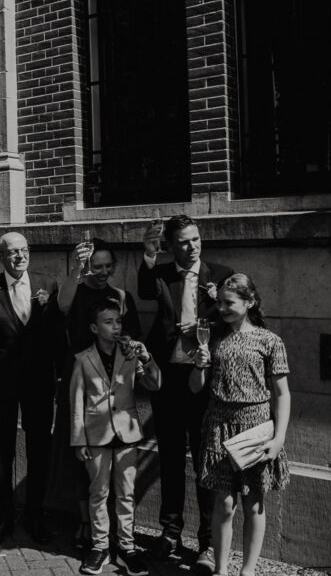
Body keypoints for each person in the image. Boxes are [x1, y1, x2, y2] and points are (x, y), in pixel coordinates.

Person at [137, 214, 233, 572]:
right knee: (172, 459)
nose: (191, 247)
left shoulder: (221, 275)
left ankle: (207, 543)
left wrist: (209, 326)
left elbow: (237, 316)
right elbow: (146, 289)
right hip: (168, 381)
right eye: (183, 241)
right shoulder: (161, 274)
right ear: (171, 245)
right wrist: (149, 253)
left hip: (204, 380)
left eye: (195, 240)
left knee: (206, 463)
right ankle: (170, 531)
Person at [190, 274, 290, 576]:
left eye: (229, 302)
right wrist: (200, 363)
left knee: (254, 503)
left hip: (255, 428)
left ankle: (247, 571)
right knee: (223, 503)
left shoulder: (269, 340)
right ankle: (221, 570)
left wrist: (279, 437)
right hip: (219, 425)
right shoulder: (213, 336)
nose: (221, 308)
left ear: (250, 302)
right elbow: (196, 388)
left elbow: (282, 393)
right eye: (218, 302)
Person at [0, 232, 65, 547]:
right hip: (2, 382)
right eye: (12, 252)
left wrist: (62, 374)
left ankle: (35, 516)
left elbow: (55, 334)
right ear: (0, 256)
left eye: (24, 250)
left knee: (39, 449)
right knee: (1, 451)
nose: (20, 256)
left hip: (39, 382)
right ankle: (2, 518)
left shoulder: (46, 283)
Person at [53, 238, 142, 548]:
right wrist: (77, 269)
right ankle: (84, 522)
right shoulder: (75, 290)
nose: (103, 271)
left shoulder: (120, 296)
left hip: (112, 384)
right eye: (97, 266)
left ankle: (112, 529)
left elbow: (132, 336)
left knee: (112, 456)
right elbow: (61, 306)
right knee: (81, 453)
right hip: (80, 379)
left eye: (108, 266)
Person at [70, 298, 160, 576]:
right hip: (95, 436)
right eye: (108, 322)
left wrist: (147, 357)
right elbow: (76, 402)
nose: (115, 326)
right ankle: (99, 548)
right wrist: (79, 440)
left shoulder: (131, 355)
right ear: (94, 329)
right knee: (98, 493)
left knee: (126, 494)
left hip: (127, 432)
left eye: (118, 321)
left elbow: (155, 384)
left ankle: (127, 548)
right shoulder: (83, 359)